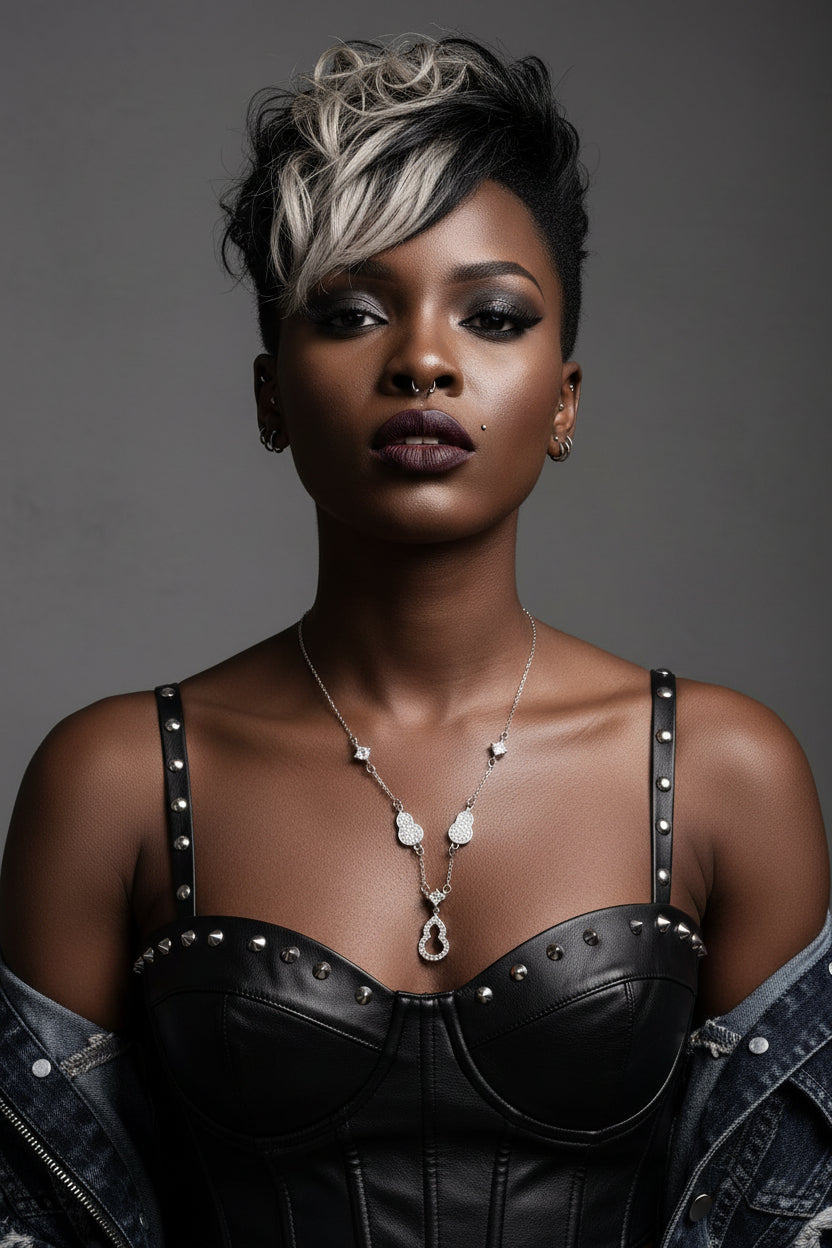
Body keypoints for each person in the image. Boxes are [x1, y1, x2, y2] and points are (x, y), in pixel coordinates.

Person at [0, 34, 829, 1248]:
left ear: (563, 399)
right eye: (350, 313)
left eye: (492, 316)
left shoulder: (721, 773)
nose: (424, 362)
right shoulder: (115, 783)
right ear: (270, 397)